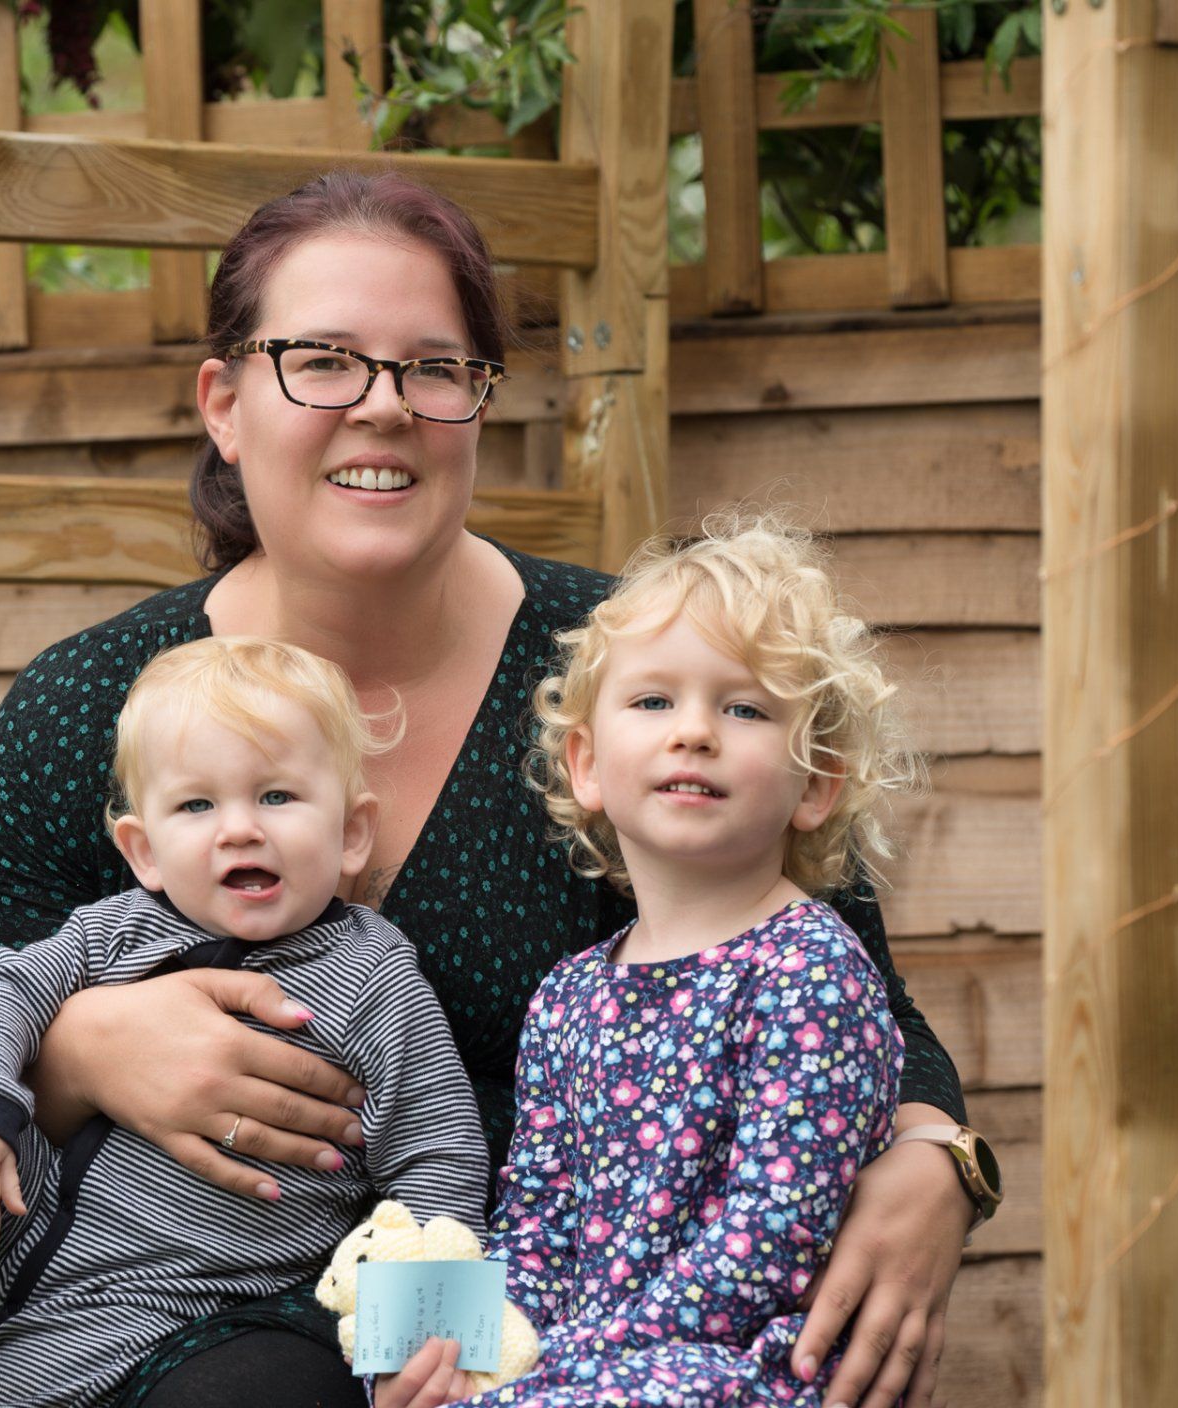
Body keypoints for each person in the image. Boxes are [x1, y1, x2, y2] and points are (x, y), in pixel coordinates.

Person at [0, 170, 980, 1408]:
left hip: (487, 1335)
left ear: (480, 405)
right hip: (92, 1313)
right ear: (223, 403)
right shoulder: (93, 708)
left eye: (435, 368)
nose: (382, 408)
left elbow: (847, 988)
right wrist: (82, 1051)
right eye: (322, 360)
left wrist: (935, 1160)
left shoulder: (638, 676)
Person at [376, 516, 934, 1408]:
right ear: (588, 765)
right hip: (589, 1365)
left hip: (739, 1366)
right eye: (653, 702)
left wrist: (558, 1371)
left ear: (816, 782)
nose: (695, 733)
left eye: (744, 708)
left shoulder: (810, 970)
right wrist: (474, 1357)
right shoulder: (568, 996)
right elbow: (538, 1226)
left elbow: (768, 1246)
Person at [0, 637, 488, 1407]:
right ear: (145, 852)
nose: (239, 829)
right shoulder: (113, 933)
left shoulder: (374, 977)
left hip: (210, 1290)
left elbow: (439, 1156)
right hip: (25, 1224)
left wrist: (418, 1341)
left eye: (276, 797)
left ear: (350, 835)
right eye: (197, 805)